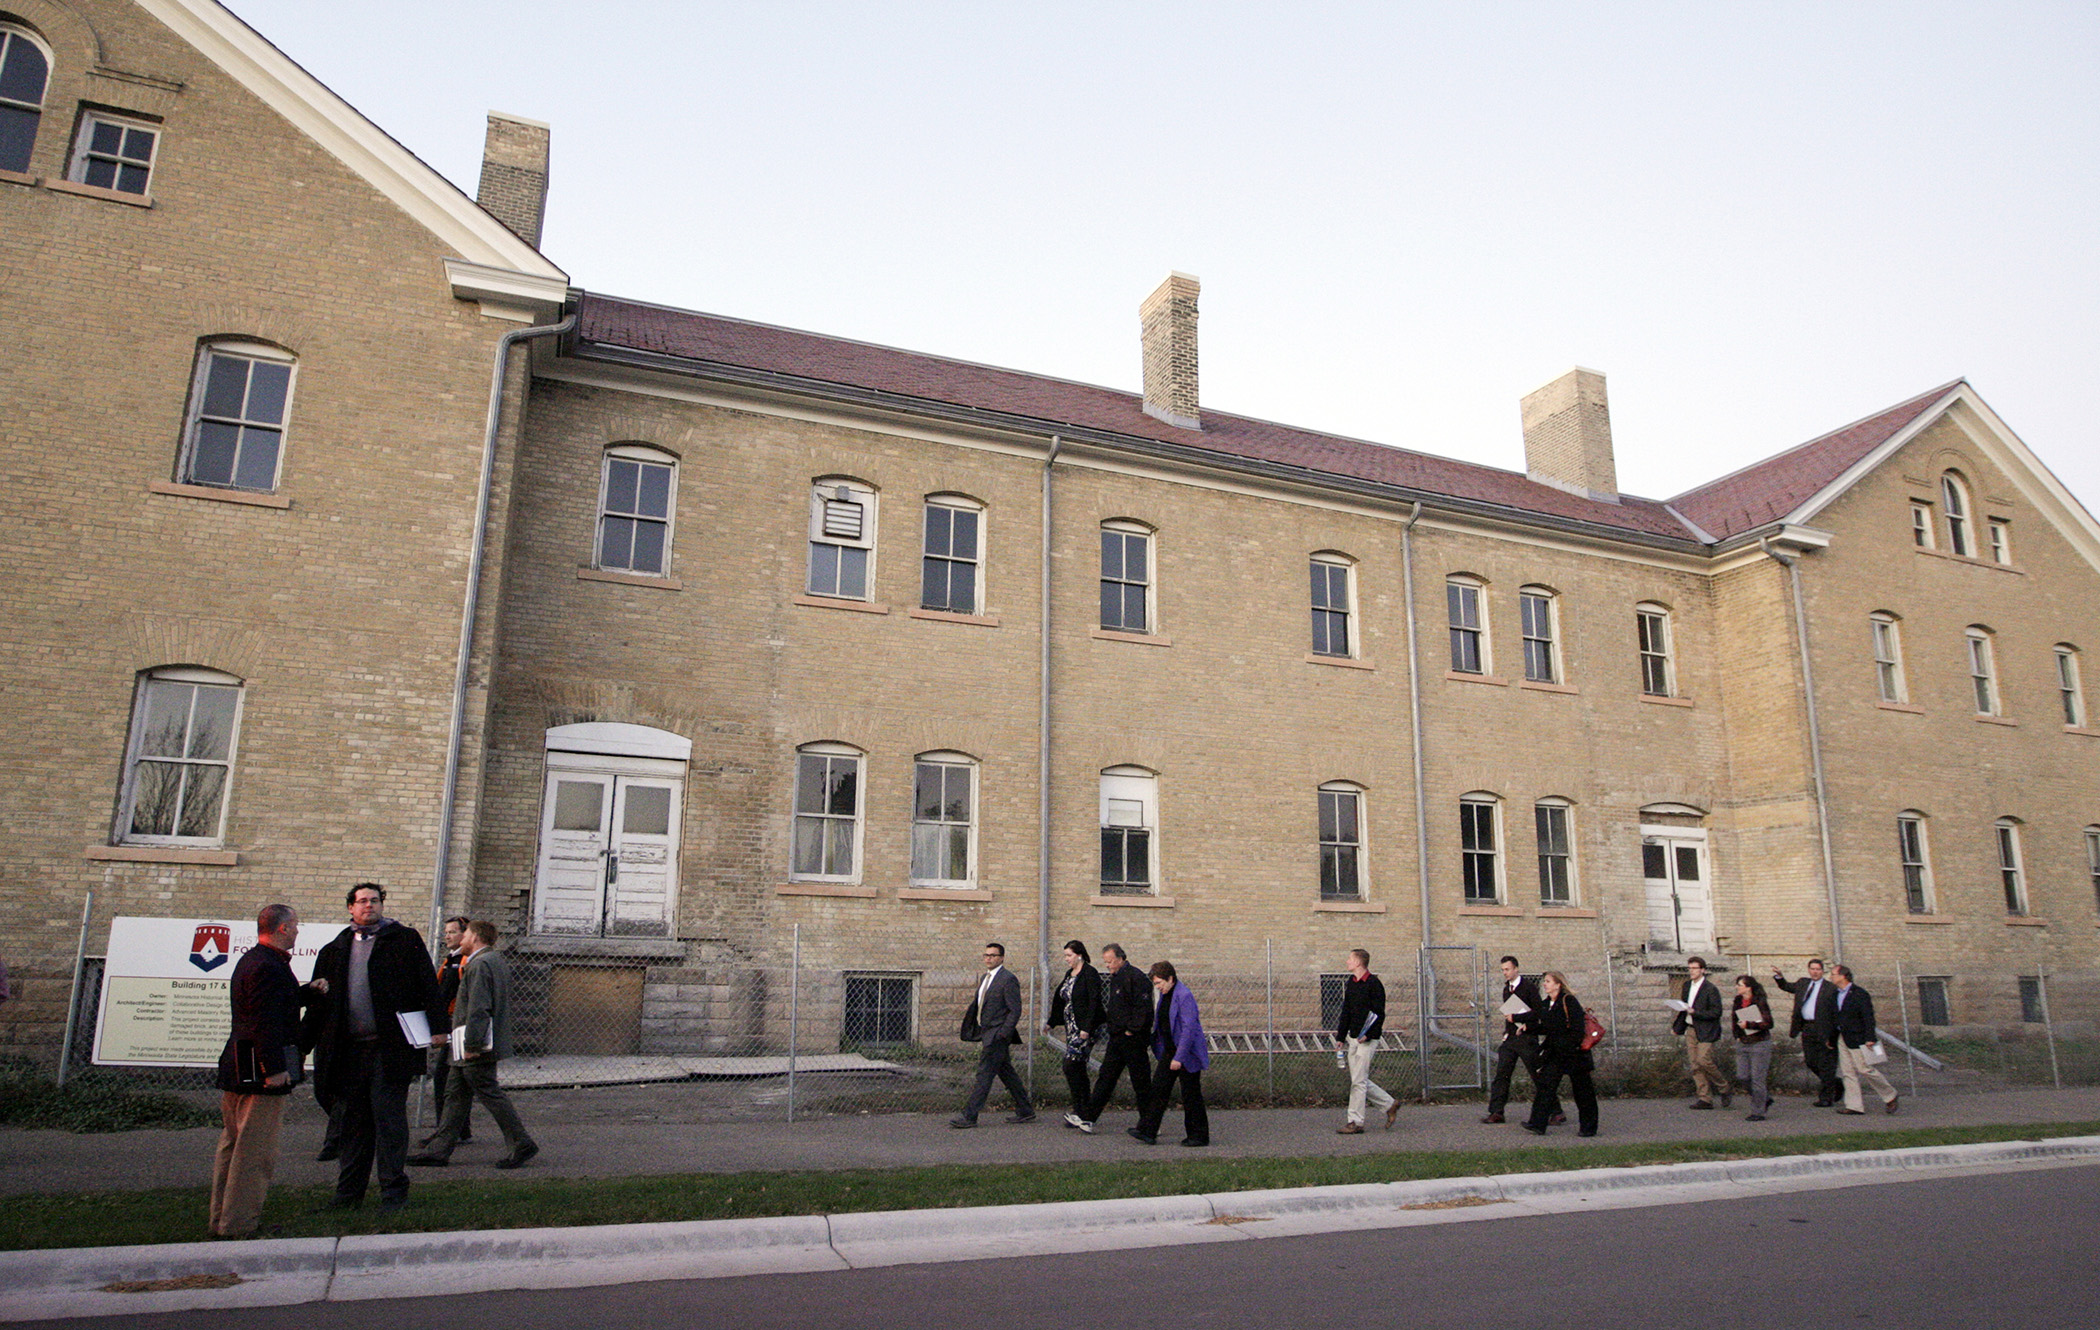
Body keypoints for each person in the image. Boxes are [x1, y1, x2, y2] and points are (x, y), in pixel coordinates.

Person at [306, 883, 448, 1211]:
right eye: (361, 901)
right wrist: (302, 1044)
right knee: (353, 1124)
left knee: (388, 1121)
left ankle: (393, 1193)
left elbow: (428, 983)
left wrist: (439, 1027)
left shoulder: (404, 940)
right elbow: (319, 1003)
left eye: (374, 900)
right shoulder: (335, 948)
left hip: (390, 1049)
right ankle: (347, 1195)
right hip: (348, 1052)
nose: (368, 905)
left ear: (382, 904)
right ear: (350, 908)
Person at [209, 904, 327, 1238]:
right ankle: (240, 1225)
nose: (298, 931)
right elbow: (262, 1022)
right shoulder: (266, 966)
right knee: (253, 1152)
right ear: (284, 928)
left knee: (233, 1145)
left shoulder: (258, 961)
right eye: (296, 926)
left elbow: (274, 1004)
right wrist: (274, 1069)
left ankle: (221, 1219)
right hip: (259, 1072)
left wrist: (307, 992)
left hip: (241, 1066)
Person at [409, 921, 538, 1168]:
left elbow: (479, 1007)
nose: (461, 937)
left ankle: (521, 1142)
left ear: (476, 937)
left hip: (474, 1044)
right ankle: (439, 1150)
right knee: (455, 1095)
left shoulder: (480, 964)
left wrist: (473, 1044)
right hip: (467, 1043)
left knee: (489, 1092)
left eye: (465, 933)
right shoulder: (493, 961)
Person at [1070, 942, 1152, 1133]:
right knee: (1106, 1078)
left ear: (1121, 958)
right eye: (1106, 962)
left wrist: (1132, 1030)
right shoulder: (1116, 978)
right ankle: (1089, 1118)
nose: (1107, 965)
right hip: (1116, 1038)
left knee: (1141, 1082)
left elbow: (1143, 1009)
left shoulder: (1136, 978)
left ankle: (1150, 1123)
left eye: (1110, 961)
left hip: (1132, 1039)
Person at [951, 942, 1034, 1127]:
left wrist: (1003, 1033)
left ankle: (969, 1116)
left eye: (993, 955)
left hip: (997, 1036)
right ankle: (1025, 1109)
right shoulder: (985, 978)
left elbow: (1015, 1010)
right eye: (986, 955)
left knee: (984, 1075)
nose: (988, 958)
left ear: (1002, 958)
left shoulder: (1007, 979)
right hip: (986, 1032)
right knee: (1006, 1073)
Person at [1129, 960, 1208, 1147]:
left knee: (1191, 1095)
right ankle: (1147, 1130)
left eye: (1159, 983)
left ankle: (1198, 1135)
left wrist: (1179, 1058)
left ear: (1170, 978)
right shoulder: (1167, 994)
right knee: (1158, 1090)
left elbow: (1189, 1029)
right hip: (1169, 1050)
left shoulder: (1184, 996)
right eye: (1156, 984)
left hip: (1185, 1053)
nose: (1158, 987)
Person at [1482, 955, 1560, 1126]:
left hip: (1527, 1038)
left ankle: (1555, 1111)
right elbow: (1508, 1014)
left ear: (1516, 969)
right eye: (1503, 970)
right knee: (1502, 1074)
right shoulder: (1506, 989)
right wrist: (1507, 1030)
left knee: (1536, 1073)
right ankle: (1496, 1111)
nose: (1505, 972)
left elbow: (1538, 1012)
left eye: (1508, 969)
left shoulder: (1529, 988)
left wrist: (1518, 1018)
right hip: (1511, 1038)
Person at [1521, 971, 1598, 1137]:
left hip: (1574, 1054)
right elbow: (1547, 1027)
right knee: (1545, 1086)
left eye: (1548, 981)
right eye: (1544, 981)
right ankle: (1537, 1123)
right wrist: (1528, 1027)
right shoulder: (1546, 1004)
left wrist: (1568, 1046)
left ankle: (1588, 1127)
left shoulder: (1568, 1001)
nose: (1545, 984)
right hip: (1555, 1053)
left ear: (1558, 984)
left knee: (1583, 1091)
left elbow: (1577, 1030)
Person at [1333, 948, 1396, 1134]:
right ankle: (1390, 1104)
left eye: (1350, 958)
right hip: (1352, 1037)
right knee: (1358, 1080)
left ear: (1359, 962)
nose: (1347, 962)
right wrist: (1340, 1036)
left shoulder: (1374, 984)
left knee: (1358, 1082)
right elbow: (1346, 1011)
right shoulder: (1351, 983)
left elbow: (1379, 1013)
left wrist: (1369, 1033)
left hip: (1367, 1039)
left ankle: (1355, 1122)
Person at [423, 916, 472, 1148]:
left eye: (453, 932)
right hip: (451, 1023)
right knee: (455, 1078)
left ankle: (448, 1130)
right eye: (446, 932)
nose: (447, 936)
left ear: (466, 934)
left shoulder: (464, 961)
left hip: (457, 1026)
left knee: (447, 1077)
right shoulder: (451, 959)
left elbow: (448, 994)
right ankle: (457, 1128)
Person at [1046, 939, 1104, 1127]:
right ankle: (1081, 1110)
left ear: (1079, 954)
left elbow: (1094, 1002)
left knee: (1071, 1065)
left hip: (1085, 1030)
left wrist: (1087, 1028)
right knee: (1076, 1068)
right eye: (1065, 956)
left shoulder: (1090, 973)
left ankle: (1082, 1110)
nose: (1066, 959)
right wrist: (1052, 1022)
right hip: (1072, 1029)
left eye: (1069, 955)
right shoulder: (1069, 974)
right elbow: (1061, 999)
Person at [1773, 958, 1842, 1107]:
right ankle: (1833, 1082)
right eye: (1812, 969)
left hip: (1824, 1028)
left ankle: (1826, 1097)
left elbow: (1836, 1011)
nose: (1815, 972)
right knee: (1811, 1061)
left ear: (1822, 971)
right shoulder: (1803, 983)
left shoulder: (1830, 988)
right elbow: (1786, 986)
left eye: (1818, 969)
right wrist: (1779, 976)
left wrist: (1833, 1033)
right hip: (1807, 1027)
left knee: (1826, 1063)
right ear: (1809, 970)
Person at [1831, 965, 1899, 1115]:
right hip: (1843, 1036)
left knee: (1865, 1069)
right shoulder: (1836, 994)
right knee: (1847, 1071)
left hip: (1858, 1037)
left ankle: (1890, 1095)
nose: (1831, 977)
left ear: (1843, 976)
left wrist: (1870, 1037)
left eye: (1833, 974)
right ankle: (1854, 1105)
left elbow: (1868, 1017)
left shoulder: (1859, 994)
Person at [1672, 956, 1730, 1109]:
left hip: (1706, 1030)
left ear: (1702, 970)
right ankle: (1705, 1098)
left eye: (1694, 968)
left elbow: (1716, 1012)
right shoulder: (1686, 986)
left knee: (1703, 1060)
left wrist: (1695, 1012)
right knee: (1695, 1065)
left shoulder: (1710, 989)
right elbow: (1685, 1009)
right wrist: (1677, 1027)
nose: (1691, 971)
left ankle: (1723, 1086)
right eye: (1689, 968)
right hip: (1691, 1028)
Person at [1732, 974, 1775, 1121]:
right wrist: (1737, 1034)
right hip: (1743, 1042)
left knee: (1758, 1078)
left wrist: (1749, 1025)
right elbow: (1734, 1019)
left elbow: (1768, 1023)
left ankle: (1758, 1111)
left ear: (1748, 987)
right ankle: (1764, 1098)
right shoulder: (1738, 1000)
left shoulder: (1759, 1001)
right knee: (1742, 1076)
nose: (1737, 987)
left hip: (1759, 1043)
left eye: (1740, 984)